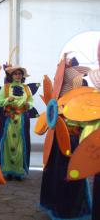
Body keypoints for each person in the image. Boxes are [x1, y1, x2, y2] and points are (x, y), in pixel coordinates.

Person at [38, 55, 92, 220]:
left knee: (61, 173)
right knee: (64, 174)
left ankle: (60, 207)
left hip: (65, 140)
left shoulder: (67, 102)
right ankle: (66, 209)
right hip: (65, 141)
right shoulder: (68, 102)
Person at [0, 65, 33, 180]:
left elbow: (31, 101)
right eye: (15, 74)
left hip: (22, 119)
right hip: (8, 119)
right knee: (7, 142)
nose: (18, 76)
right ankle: (7, 170)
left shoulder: (26, 88)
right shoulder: (5, 88)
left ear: (22, 76)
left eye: (20, 74)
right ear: (11, 76)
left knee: (21, 143)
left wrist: (28, 105)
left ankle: (18, 170)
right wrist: (7, 100)